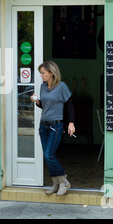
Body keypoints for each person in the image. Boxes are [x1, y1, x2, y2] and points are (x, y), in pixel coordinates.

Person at [31, 61, 76, 196]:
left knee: (49, 154)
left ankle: (64, 181)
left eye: (43, 73)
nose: (41, 75)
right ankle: (56, 183)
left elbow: (70, 105)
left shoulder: (61, 86)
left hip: (56, 125)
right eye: (40, 73)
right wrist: (37, 101)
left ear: (51, 72)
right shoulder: (43, 87)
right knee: (48, 155)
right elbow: (44, 106)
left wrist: (71, 123)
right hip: (43, 125)